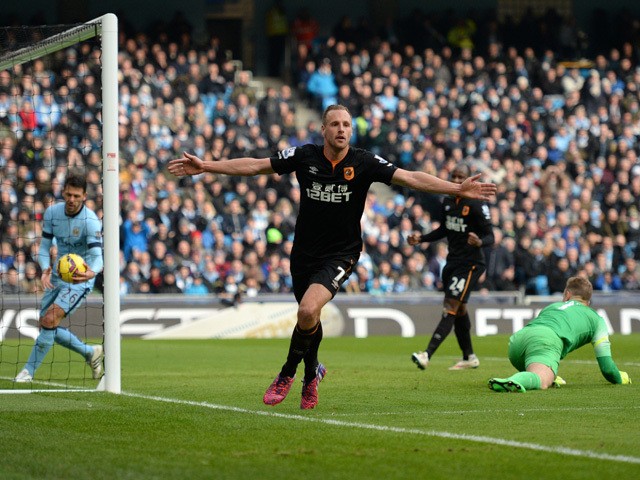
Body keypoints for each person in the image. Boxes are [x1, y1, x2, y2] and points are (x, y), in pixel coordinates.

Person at [168, 105, 496, 409]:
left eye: (346, 125)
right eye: (335, 124)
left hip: (341, 253)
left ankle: (287, 373)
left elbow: (411, 177)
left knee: (308, 309)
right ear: (323, 129)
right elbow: (256, 166)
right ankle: (313, 374)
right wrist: (206, 166)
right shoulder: (304, 156)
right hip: (304, 253)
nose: (342, 129)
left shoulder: (364, 162)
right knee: (309, 320)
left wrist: (455, 189)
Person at [14, 172, 104, 383]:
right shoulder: (52, 213)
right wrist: (45, 268)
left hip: (80, 279)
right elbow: (45, 246)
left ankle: (27, 372)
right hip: (56, 275)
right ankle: (90, 352)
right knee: (45, 324)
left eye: (76, 196)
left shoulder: (90, 221)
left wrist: (91, 272)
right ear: (63, 192)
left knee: (50, 319)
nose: (71, 200)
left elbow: (97, 257)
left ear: (84, 197)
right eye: (68, 195)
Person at [408, 163, 495, 371]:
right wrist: (422, 238)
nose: (456, 181)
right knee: (460, 309)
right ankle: (469, 357)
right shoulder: (447, 201)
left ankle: (426, 354)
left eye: (461, 177)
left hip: (471, 263)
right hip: (453, 262)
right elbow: (444, 230)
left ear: (469, 179)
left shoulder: (476, 204)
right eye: (454, 176)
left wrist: (480, 242)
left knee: (451, 307)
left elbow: (491, 235)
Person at [488, 276, 631, 392]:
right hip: (545, 341)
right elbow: (607, 369)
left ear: (567, 294)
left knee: (545, 374)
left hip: (517, 342)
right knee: (542, 381)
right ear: (588, 300)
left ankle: (542, 375)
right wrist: (620, 378)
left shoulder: (552, 306)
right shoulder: (597, 320)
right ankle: (514, 381)